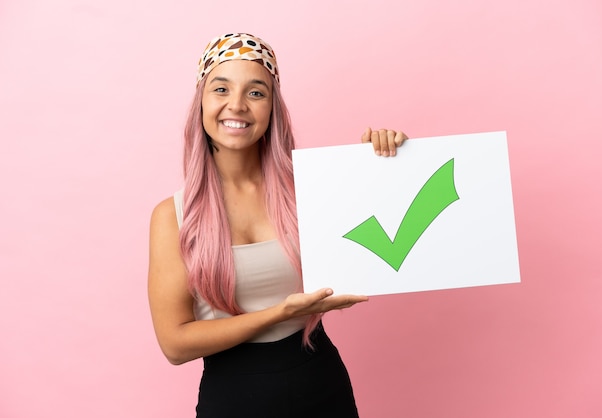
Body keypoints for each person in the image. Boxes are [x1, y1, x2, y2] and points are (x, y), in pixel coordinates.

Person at [148, 32, 408, 418]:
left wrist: (387, 160)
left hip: (322, 386)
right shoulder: (173, 216)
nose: (236, 105)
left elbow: (388, 229)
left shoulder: (310, 191)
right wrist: (280, 313)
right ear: (201, 101)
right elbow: (175, 344)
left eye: (256, 93)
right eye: (221, 89)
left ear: (272, 109)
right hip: (233, 399)